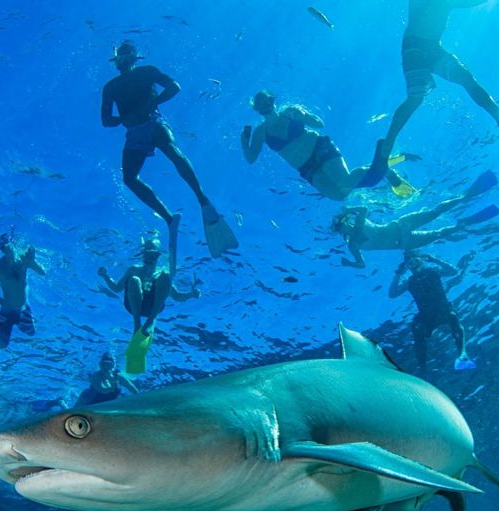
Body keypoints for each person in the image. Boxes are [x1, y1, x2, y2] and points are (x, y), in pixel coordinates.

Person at [365, 0, 499, 183]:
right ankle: (386, 147)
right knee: (416, 99)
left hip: (432, 48)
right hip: (415, 46)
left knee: (465, 78)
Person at [101, 40, 237, 270]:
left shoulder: (147, 71)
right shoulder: (110, 87)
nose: (123, 59)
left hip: (154, 121)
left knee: (172, 151)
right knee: (129, 178)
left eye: (127, 55)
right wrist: (124, 119)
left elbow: (174, 86)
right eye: (120, 56)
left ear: (133, 58)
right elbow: (106, 121)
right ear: (116, 60)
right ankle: (168, 218)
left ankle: (201, 198)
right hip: (133, 132)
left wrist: (151, 103)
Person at [240, 90, 415, 200]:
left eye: (267, 101)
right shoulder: (260, 132)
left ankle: (385, 170)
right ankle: (377, 169)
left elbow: (319, 124)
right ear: (257, 109)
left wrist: (304, 115)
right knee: (339, 195)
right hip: (307, 168)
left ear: (273, 101)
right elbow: (250, 158)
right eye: (260, 104)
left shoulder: (290, 112)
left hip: (319, 149)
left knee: (344, 181)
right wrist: (243, 141)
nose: (265, 105)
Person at [331, 170, 499, 268]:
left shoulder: (359, 222)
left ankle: (467, 195)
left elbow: (364, 208)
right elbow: (362, 264)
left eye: (344, 221)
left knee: (434, 213)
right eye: (342, 225)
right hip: (406, 242)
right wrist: (349, 264)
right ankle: (466, 222)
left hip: (400, 226)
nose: (345, 224)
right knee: (440, 233)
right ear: (340, 231)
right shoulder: (353, 245)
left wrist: (348, 209)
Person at [389, 251, 475, 375]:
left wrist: (435, 259)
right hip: (426, 315)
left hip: (443, 310)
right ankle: (423, 369)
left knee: (452, 317)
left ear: (421, 260)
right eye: (409, 262)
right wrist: (398, 274)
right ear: (407, 266)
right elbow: (392, 294)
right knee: (416, 329)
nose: (413, 263)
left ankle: (462, 355)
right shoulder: (409, 281)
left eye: (415, 260)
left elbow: (454, 271)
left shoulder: (433, 271)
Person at [97, 237, 200, 337]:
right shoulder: (134, 269)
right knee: (134, 280)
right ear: (142, 255)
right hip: (132, 306)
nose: (149, 259)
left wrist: (191, 294)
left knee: (166, 275)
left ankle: (151, 320)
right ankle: (137, 325)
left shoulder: (161, 273)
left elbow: (176, 296)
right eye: (147, 255)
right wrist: (105, 276)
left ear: (158, 256)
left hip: (152, 309)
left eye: (153, 255)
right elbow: (116, 288)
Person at [0, 232, 45, 349]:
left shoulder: (25, 258)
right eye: (2, 249)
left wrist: (32, 262)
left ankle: (5, 320)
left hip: (23, 308)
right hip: (7, 309)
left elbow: (42, 272)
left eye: (6, 247)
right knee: (2, 344)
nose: (4, 251)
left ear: (13, 245)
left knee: (31, 333)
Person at [74, 352, 139, 407]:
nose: (106, 367)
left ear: (113, 366)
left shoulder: (118, 376)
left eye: (109, 365)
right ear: (100, 365)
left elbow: (132, 388)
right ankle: (64, 405)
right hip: (88, 399)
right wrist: (112, 385)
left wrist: (139, 399)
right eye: (103, 364)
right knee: (74, 411)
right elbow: (101, 390)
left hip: (105, 401)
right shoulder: (97, 375)